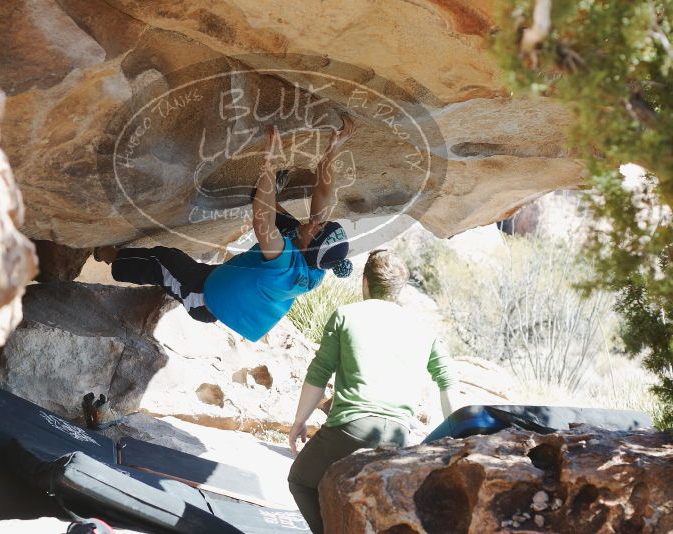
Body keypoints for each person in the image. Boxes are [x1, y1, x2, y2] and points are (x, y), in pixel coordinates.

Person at [94, 116, 356, 342]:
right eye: (320, 222)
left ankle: (109, 256)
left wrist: (270, 163)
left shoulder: (284, 265)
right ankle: (266, 192)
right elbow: (323, 192)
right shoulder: (317, 259)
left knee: (163, 260)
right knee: (291, 225)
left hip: (205, 296)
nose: (315, 222)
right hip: (235, 277)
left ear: (311, 245)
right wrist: (334, 149)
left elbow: (261, 221)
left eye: (317, 227)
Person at [287, 249, 460, 534]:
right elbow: (448, 381)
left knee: (302, 481)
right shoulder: (422, 329)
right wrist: (456, 436)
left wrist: (299, 422)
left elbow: (319, 373)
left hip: (350, 428)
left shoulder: (346, 315)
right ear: (399, 290)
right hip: (399, 436)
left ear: (365, 282)